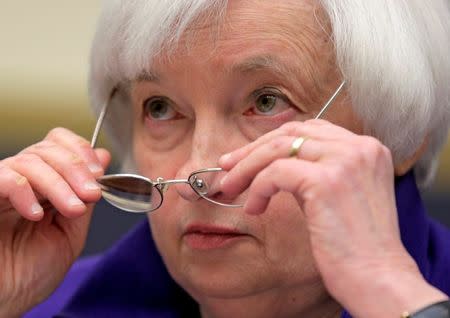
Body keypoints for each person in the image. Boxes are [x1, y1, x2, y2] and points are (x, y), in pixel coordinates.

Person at [1, 0, 450, 317]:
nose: (198, 172)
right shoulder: (40, 306)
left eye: (268, 102)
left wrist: (392, 297)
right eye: (160, 108)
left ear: (400, 137)